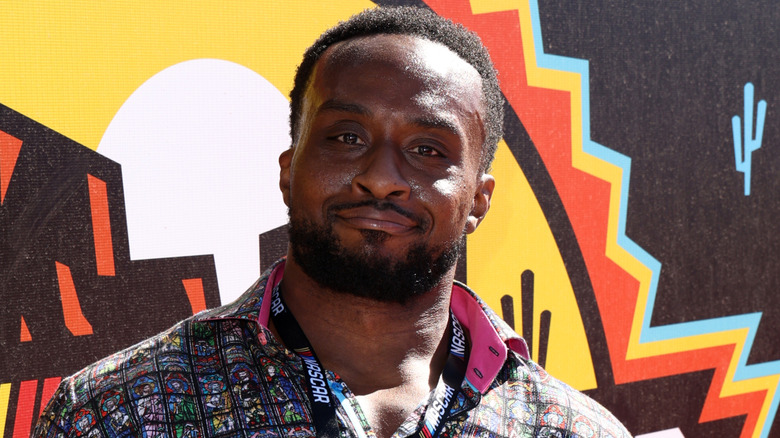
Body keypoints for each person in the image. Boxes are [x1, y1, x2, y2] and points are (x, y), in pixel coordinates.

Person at [33, 6, 631, 438]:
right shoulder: (118, 412)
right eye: (347, 137)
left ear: (479, 199)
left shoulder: (570, 430)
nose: (381, 176)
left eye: (428, 150)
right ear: (289, 170)